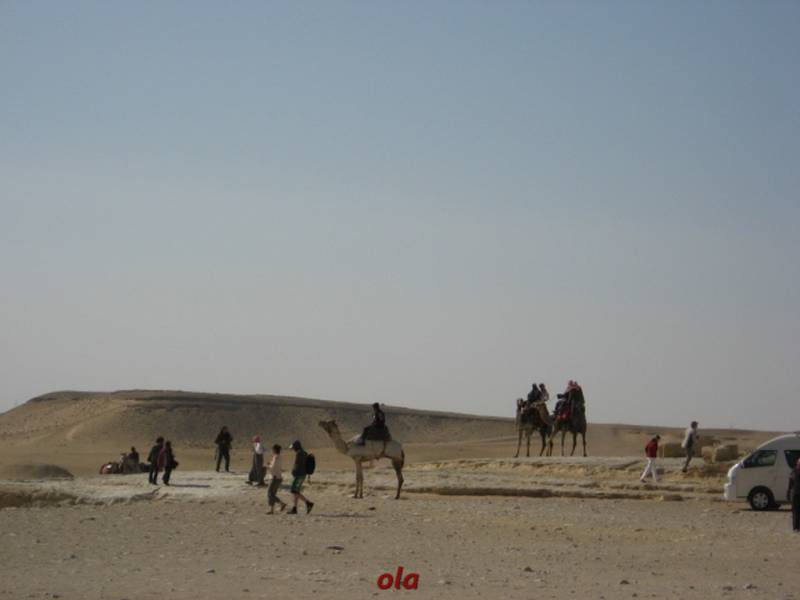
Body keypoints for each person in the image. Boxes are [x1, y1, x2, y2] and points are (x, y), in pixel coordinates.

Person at [287, 440, 314, 514]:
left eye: (293, 448)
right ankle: (294, 509)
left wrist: (293, 472)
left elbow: (297, 465)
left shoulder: (299, 453)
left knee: (293, 490)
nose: (293, 449)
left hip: (299, 475)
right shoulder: (304, 453)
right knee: (296, 491)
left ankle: (308, 503)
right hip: (302, 475)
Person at [266, 444, 287, 514]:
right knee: (272, 494)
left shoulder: (275, 457)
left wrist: (267, 466)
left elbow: (272, 468)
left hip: (274, 478)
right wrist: (270, 464)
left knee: (270, 494)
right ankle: (271, 510)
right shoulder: (279, 457)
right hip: (278, 477)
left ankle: (281, 504)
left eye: (272, 449)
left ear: (274, 450)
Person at [789, 458, 800, 532]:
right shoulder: (794, 472)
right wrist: (788, 491)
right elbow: (790, 482)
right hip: (795, 494)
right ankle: (796, 527)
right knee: (795, 511)